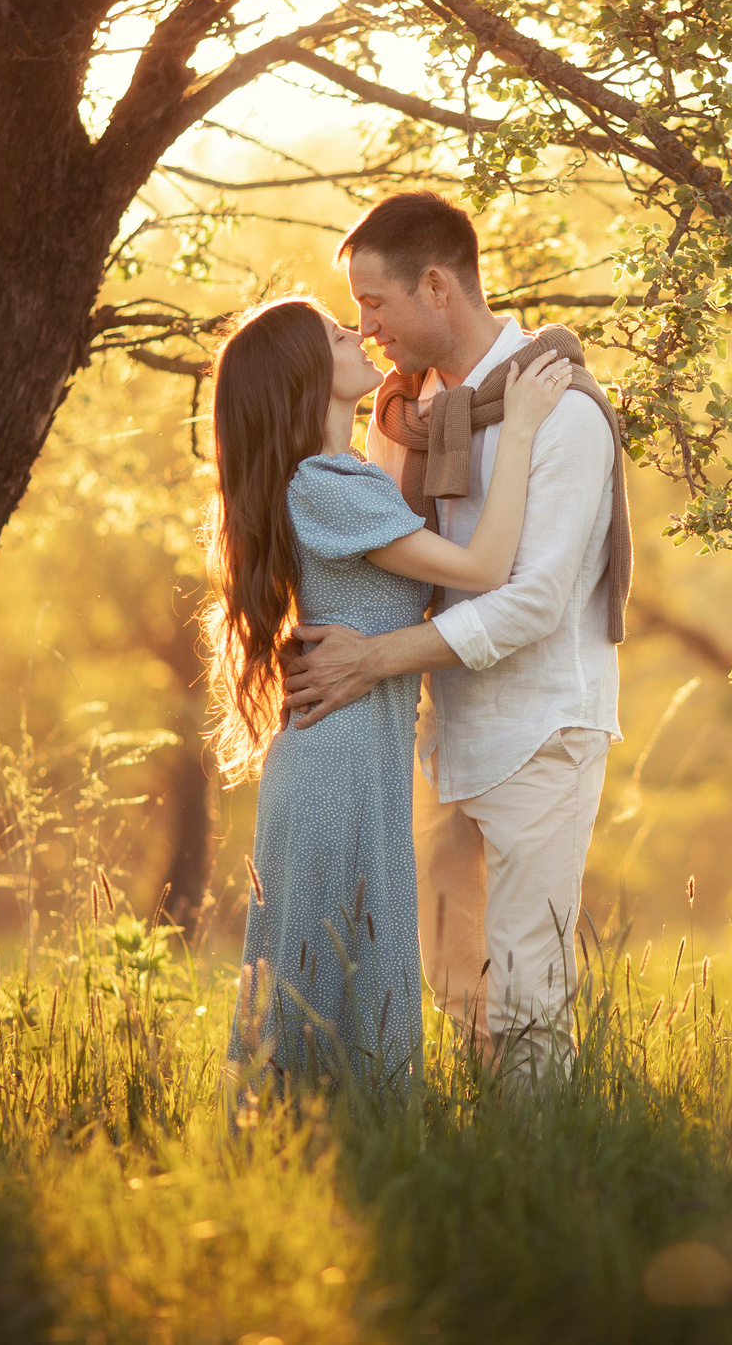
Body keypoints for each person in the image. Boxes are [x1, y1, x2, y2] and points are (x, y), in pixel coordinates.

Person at [284, 192, 632, 1076]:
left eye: (374, 304)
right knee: (449, 981)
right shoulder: (402, 412)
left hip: (542, 728)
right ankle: (478, 1164)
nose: (365, 329)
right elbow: (391, 562)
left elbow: (532, 602)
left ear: (436, 286)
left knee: (525, 990)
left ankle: (545, 1183)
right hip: (447, 731)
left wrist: (373, 660)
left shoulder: (561, 410)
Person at [206, 295, 572, 1085]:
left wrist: (409, 408)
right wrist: (525, 428)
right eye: (341, 335)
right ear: (308, 376)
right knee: (330, 979)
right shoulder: (330, 485)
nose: (360, 332)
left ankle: (314, 1154)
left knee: (334, 975)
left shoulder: (335, 480)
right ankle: (314, 1154)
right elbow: (482, 569)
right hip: (338, 764)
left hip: (351, 756)